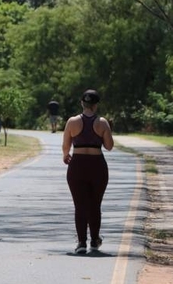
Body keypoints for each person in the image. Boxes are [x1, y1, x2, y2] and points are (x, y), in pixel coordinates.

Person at [62, 89, 114, 254]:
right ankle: (94, 240)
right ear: (96, 105)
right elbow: (109, 146)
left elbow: (65, 146)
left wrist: (65, 155)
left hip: (77, 165)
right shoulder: (102, 122)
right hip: (97, 165)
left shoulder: (72, 122)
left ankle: (81, 242)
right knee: (95, 204)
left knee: (80, 205)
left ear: (82, 103)